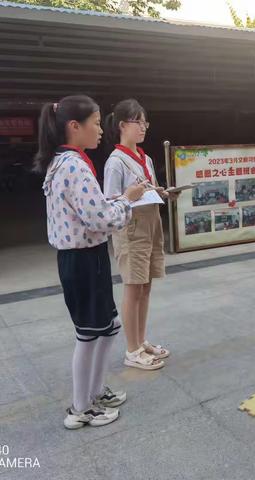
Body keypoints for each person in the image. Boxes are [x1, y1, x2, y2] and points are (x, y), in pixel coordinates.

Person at [37, 95, 146, 429]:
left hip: (86, 258)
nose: (101, 130)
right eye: (96, 123)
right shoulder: (74, 165)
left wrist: (113, 200)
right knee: (89, 333)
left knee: (107, 327)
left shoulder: (66, 160)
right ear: (75, 126)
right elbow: (99, 219)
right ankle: (80, 408)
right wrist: (127, 200)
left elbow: (88, 207)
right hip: (83, 260)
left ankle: (95, 392)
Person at [104, 98, 176, 371]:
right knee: (133, 287)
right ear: (123, 125)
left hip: (151, 221)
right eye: (138, 121)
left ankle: (140, 340)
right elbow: (111, 202)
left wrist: (162, 192)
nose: (144, 127)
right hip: (131, 226)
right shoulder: (116, 161)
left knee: (146, 286)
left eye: (145, 121)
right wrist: (130, 196)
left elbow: (147, 189)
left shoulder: (144, 157)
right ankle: (132, 349)